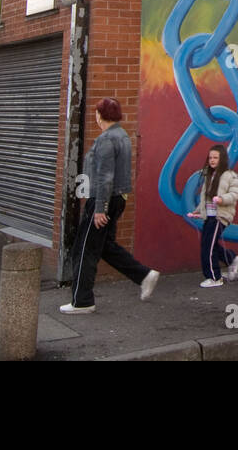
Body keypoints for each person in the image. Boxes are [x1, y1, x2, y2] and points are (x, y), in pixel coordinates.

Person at [62, 97, 159, 314]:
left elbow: (105, 176)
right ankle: (143, 275)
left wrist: (99, 209)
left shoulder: (107, 139)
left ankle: (82, 301)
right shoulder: (122, 136)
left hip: (102, 199)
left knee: (84, 249)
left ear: (100, 115)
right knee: (105, 246)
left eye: (97, 112)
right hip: (117, 198)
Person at [187, 145, 238, 288]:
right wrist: (197, 212)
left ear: (222, 159)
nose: (212, 160)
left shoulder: (230, 176)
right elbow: (205, 198)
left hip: (220, 217)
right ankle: (232, 259)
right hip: (209, 216)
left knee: (208, 247)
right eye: (210, 157)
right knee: (210, 244)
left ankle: (214, 277)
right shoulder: (208, 176)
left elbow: (234, 194)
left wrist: (222, 199)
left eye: (215, 157)